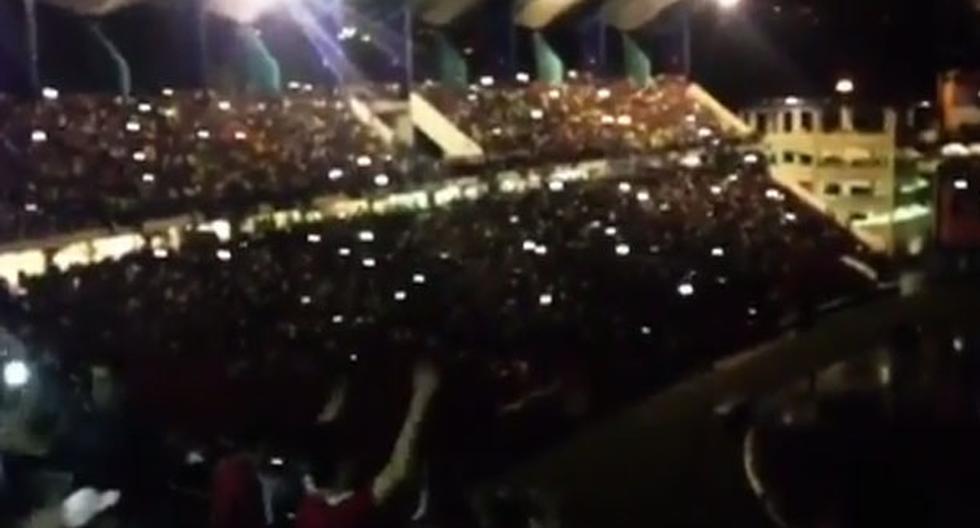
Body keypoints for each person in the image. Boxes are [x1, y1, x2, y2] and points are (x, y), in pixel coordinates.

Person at [294, 360, 440, 528]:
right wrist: (422, 395)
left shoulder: (310, 497)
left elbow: (322, 429)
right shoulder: (341, 514)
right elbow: (397, 470)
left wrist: (340, 391)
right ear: (341, 469)